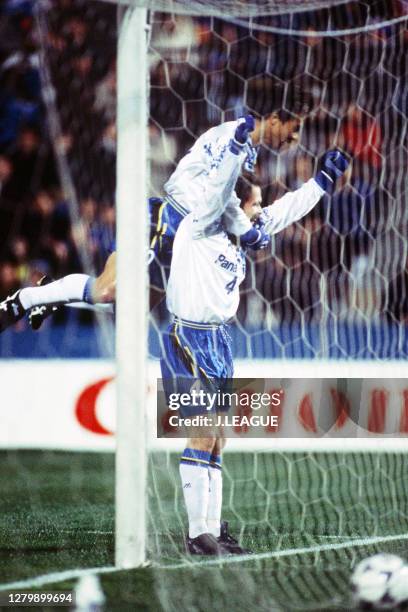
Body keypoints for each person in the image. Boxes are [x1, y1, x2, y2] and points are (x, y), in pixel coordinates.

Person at [160, 146, 349, 556]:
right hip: (187, 337)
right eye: (255, 204)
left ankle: (212, 527)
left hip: (220, 340)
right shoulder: (203, 225)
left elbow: (287, 210)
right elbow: (219, 192)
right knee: (204, 431)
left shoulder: (243, 233)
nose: (261, 211)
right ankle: (196, 534)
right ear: (235, 206)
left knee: (219, 438)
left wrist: (321, 182)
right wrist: (231, 149)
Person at [0, 101, 305, 331]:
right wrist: (246, 231)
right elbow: (218, 193)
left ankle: (52, 293)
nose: (292, 143)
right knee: (108, 289)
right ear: (276, 119)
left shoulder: (249, 153)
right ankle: (24, 299)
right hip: (168, 219)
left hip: (188, 238)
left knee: (130, 308)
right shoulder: (232, 138)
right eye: (292, 133)